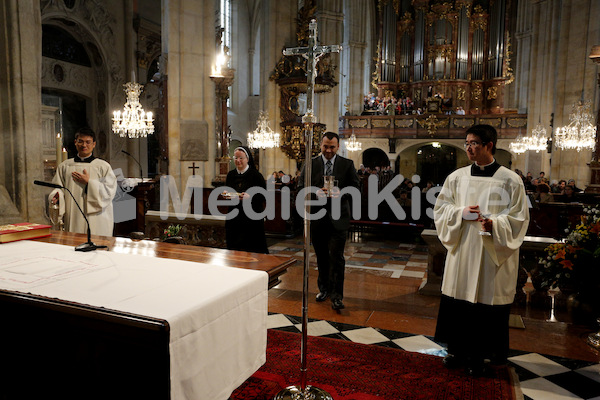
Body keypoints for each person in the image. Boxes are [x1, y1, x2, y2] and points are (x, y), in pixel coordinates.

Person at [433, 124, 529, 376]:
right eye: (466, 142)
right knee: (460, 300)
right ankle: (457, 351)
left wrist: (495, 224)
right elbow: (441, 209)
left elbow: (519, 218)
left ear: (489, 145)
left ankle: (483, 357)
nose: (468, 147)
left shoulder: (511, 180)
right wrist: (460, 213)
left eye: (474, 143)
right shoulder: (457, 177)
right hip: (463, 249)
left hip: (492, 252)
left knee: (486, 303)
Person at [297, 132, 360, 310]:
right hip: (317, 218)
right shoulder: (310, 164)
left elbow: (356, 187)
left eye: (332, 147)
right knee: (322, 257)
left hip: (338, 218)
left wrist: (342, 192)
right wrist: (314, 192)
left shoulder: (347, 164)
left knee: (337, 258)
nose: (329, 150)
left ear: (338, 147)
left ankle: (337, 296)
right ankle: (323, 289)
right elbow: (300, 187)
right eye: (326, 146)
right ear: (321, 145)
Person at [49, 127, 117, 236]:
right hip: (74, 213)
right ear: (75, 143)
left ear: (94, 144)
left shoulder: (103, 166)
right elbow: (58, 186)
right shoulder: (65, 166)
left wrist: (89, 182)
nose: (84, 145)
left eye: (88, 142)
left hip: (96, 216)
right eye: (80, 141)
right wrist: (57, 195)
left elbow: (110, 191)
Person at [224, 146, 269, 254]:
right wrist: (227, 194)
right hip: (234, 216)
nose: (238, 161)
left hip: (251, 217)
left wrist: (250, 197)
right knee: (234, 248)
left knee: (251, 248)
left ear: (247, 159)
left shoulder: (256, 175)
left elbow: (263, 195)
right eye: (235, 158)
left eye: (241, 158)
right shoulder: (230, 175)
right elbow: (228, 190)